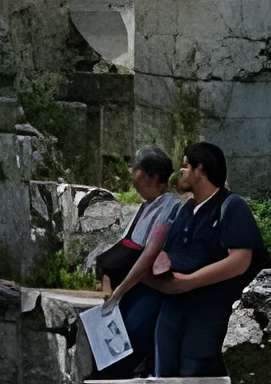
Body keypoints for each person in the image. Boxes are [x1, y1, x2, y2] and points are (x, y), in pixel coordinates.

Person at [136, 140, 265, 376]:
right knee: (164, 373)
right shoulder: (186, 210)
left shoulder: (231, 206)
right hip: (172, 310)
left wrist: (189, 281)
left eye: (186, 166)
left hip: (209, 314)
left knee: (196, 374)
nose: (181, 172)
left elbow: (240, 260)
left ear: (201, 170)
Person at [90, 151, 182, 376]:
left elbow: (147, 257)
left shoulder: (169, 206)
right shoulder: (145, 206)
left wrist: (118, 292)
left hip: (146, 291)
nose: (132, 175)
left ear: (150, 176)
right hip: (127, 293)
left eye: (136, 169)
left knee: (125, 353)